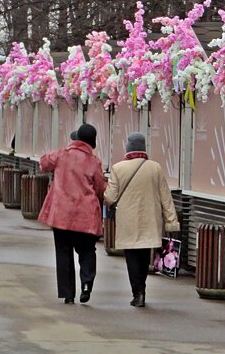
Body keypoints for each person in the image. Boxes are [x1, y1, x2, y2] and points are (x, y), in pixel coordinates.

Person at [105, 132, 180, 308]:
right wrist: (171, 221)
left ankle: (137, 292)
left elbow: (110, 197)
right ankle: (142, 290)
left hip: (128, 221)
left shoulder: (118, 168)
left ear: (128, 148)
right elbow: (165, 197)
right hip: (149, 220)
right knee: (144, 256)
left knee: (131, 257)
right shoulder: (155, 168)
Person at [37, 123, 107, 305]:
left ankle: (68, 294)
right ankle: (86, 284)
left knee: (63, 251)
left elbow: (43, 163)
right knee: (87, 251)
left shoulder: (61, 155)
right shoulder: (94, 162)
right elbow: (100, 188)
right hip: (86, 215)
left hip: (62, 214)